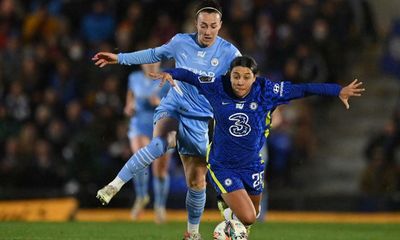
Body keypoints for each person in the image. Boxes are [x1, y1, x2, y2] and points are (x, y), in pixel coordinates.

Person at [149, 55, 364, 235]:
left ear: (254, 78)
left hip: (252, 165)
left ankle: (231, 217)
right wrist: (171, 73)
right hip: (222, 164)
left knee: (252, 216)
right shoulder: (216, 87)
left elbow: (303, 89)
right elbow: (191, 76)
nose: (240, 82)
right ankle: (226, 222)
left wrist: (337, 90)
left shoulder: (267, 91)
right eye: (236, 76)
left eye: (246, 77)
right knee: (247, 217)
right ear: (229, 76)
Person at [92, 1, 240, 239]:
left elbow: (244, 81)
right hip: (174, 106)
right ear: (196, 24)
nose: (208, 31)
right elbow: (153, 54)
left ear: (220, 25)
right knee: (163, 141)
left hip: (200, 121)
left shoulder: (230, 54)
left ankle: (192, 233)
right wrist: (118, 58)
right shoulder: (181, 41)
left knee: (197, 182)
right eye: (203, 25)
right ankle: (114, 185)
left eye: (213, 26)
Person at [124, 63, 170, 223]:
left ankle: (159, 206)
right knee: (139, 159)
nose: (150, 65)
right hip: (139, 123)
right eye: (146, 62)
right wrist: (129, 106)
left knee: (160, 169)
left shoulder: (167, 77)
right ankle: (142, 196)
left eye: (153, 62)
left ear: (159, 63)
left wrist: (159, 103)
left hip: (161, 124)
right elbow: (130, 96)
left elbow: (176, 102)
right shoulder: (134, 77)